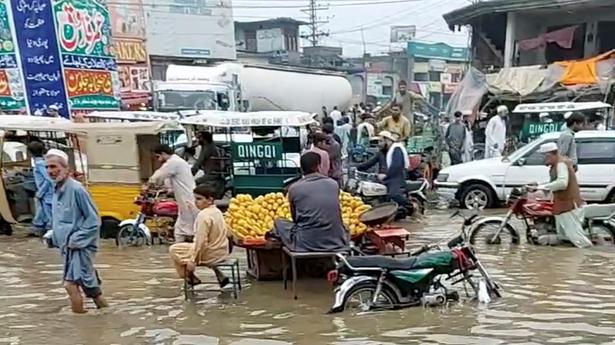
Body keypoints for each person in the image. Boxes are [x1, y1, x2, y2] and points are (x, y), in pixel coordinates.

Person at [45, 149, 108, 313]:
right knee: (90, 287)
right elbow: (63, 221)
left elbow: (93, 220)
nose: (50, 171)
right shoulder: (57, 190)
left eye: (54, 166)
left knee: (70, 285)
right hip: (67, 248)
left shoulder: (77, 190)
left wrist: (77, 239)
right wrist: (54, 237)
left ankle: (80, 324)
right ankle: (105, 315)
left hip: (79, 246)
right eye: (47, 167)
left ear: (65, 168)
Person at [272, 152, 349, 252]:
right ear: (319, 166)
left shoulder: (294, 188)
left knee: (279, 222)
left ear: (301, 169)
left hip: (306, 243)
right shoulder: (333, 184)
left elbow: (295, 218)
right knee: (345, 226)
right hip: (335, 241)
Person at [529, 143, 591, 248]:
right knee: (564, 237)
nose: (543, 159)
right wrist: (540, 186)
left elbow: (562, 183)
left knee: (578, 239)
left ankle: (590, 257)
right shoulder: (558, 164)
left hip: (568, 205)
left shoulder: (561, 164)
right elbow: (555, 182)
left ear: (551, 154)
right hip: (562, 205)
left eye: (544, 156)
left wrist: (543, 187)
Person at [169, 185, 230, 287]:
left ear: (210, 200)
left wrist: (192, 260)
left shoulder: (203, 216)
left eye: (199, 199)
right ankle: (216, 274)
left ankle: (190, 277)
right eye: (195, 199)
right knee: (182, 249)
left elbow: (200, 241)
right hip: (221, 251)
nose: (196, 202)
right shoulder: (217, 212)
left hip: (210, 254)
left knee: (173, 249)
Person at [149, 144, 197, 243]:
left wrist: (148, 185)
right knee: (181, 228)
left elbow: (158, 175)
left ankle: (183, 249)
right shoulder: (177, 162)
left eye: (158, 157)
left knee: (186, 228)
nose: (158, 160)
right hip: (185, 198)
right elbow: (169, 180)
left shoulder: (173, 162)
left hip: (186, 199)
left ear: (163, 154)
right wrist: (168, 189)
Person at [377, 131, 411, 219]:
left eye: (381, 141)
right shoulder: (385, 151)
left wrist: (386, 175)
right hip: (392, 176)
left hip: (397, 177)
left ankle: (410, 206)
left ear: (387, 140)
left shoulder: (397, 149)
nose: (379, 143)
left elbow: (396, 165)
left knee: (393, 194)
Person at [28, 141, 54, 236]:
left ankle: (49, 232)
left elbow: (48, 179)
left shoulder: (39, 164)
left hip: (47, 193)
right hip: (48, 192)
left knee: (48, 213)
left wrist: (41, 192)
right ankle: (38, 227)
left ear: (30, 153)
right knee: (43, 210)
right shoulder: (42, 162)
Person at [191, 131, 224, 198]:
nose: (198, 140)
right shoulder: (208, 146)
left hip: (212, 174)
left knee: (195, 183)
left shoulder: (208, 147)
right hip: (210, 173)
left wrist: (191, 173)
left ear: (203, 138)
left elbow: (199, 162)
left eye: (199, 138)